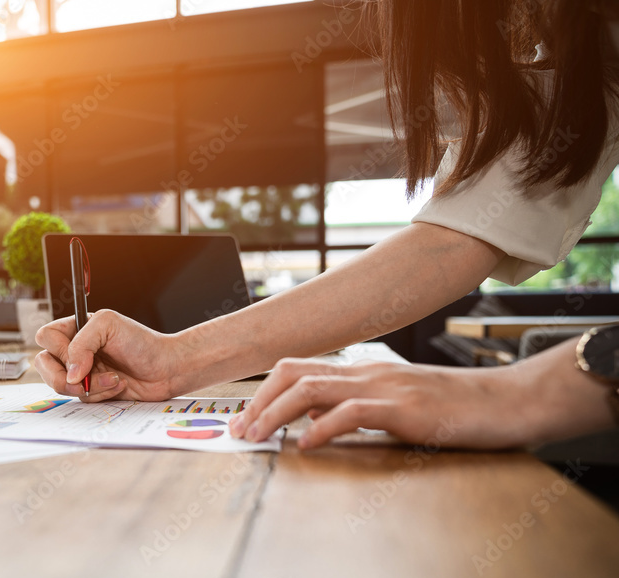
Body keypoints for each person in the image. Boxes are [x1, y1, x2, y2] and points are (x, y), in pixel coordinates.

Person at [33, 0, 619, 449]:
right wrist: (173, 360)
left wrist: (521, 390)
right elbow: (452, 242)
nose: (527, 36)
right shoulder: (590, 49)